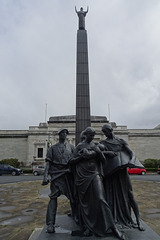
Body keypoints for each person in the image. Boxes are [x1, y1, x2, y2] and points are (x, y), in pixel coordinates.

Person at [70, 127, 125, 239]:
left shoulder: (96, 146)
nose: (92, 137)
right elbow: (71, 161)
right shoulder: (79, 146)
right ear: (86, 135)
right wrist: (81, 156)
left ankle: (113, 228)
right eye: (91, 135)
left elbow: (103, 160)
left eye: (94, 135)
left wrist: (98, 152)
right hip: (82, 177)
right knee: (86, 203)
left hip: (95, 174)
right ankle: (88, 227)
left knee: (100, 199)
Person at [100, 124, 145, 231]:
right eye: (104, 133)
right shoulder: (103, 143)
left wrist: (132, 161)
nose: (105, 134)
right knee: (110, 195)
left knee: (130, 194)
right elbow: (99, 154)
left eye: (106, 132)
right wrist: (107, 152)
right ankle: (112, 219)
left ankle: (138, 220)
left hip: (122, 172)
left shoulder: (121, 141)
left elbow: (131, 153)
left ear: (110, 130)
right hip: (111, 174)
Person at [42, 128, 76, 233]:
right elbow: (48, 163)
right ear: (59, 135)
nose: (64, 135)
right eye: (62, 133)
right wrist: (45, 176)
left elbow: (76, 161)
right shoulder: (52, 149)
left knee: (73, 197)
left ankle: (76, 216)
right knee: (53, 198)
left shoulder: (71, 147)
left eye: (66, 133)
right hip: (56, 175)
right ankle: (50, 223)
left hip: (68, 175)